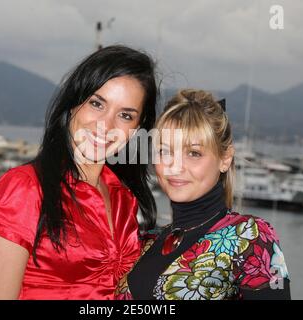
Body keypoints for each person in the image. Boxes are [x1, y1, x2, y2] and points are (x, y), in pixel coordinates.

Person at [0, 45, 158, 300]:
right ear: (74, 103)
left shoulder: (124, 199)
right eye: (97, 104)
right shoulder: (25, 188)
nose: (106, 125)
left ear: (137, 128)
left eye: (125, 115)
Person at [116, 89, 291, 300]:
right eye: (165, 151)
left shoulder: (251, 238)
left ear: (225, 159)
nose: (175, 167)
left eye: (194, 153)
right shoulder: (146, 241)